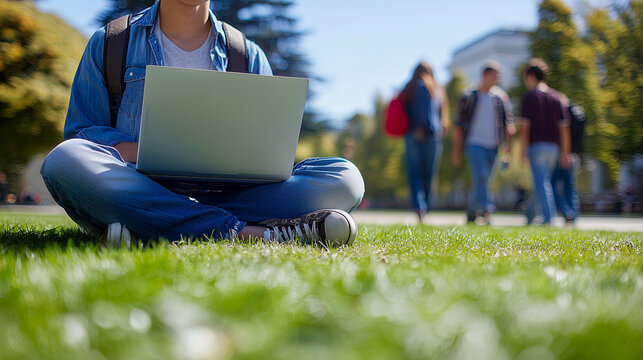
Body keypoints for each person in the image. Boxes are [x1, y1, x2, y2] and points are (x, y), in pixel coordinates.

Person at [39, 0, 364, 246]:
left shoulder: (247, 55)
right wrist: (149, 150)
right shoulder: (112, 42)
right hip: (139, 187)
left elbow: (268, 150)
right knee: (64, 160)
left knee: (345, 178)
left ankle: (146, 226)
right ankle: (246, 232)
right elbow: (82, 133)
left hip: (231, 195)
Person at [451, 61, 515, 224]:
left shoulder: (501, 98)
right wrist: (456, 150)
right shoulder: (469, 96)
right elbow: (459, 125)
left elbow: (509, 125)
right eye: (496, 74)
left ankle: (472, 211)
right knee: (481, 175)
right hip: (474, 143)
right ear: (486, 75)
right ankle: (487, 209)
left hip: (494, 146)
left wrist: (509, 149)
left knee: (484, 180)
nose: (499, 78)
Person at [520, 59, 571, 225]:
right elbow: (564, 128)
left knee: (541, 183)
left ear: (531, 76)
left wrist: (522, 151)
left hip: (536, 146)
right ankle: (529, 216)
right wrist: (565, 152)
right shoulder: (557, 98)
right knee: (542, 182)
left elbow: (525, 128)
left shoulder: (529, 97)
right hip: (553, 148)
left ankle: (548, 218)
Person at [399, 62, 449, 223]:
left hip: (413, 134)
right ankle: (424, 207)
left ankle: (419, 207)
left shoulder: (409, 87)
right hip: (430, 134)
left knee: (415, 174)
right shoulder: (435, 88)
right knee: (429, 174)